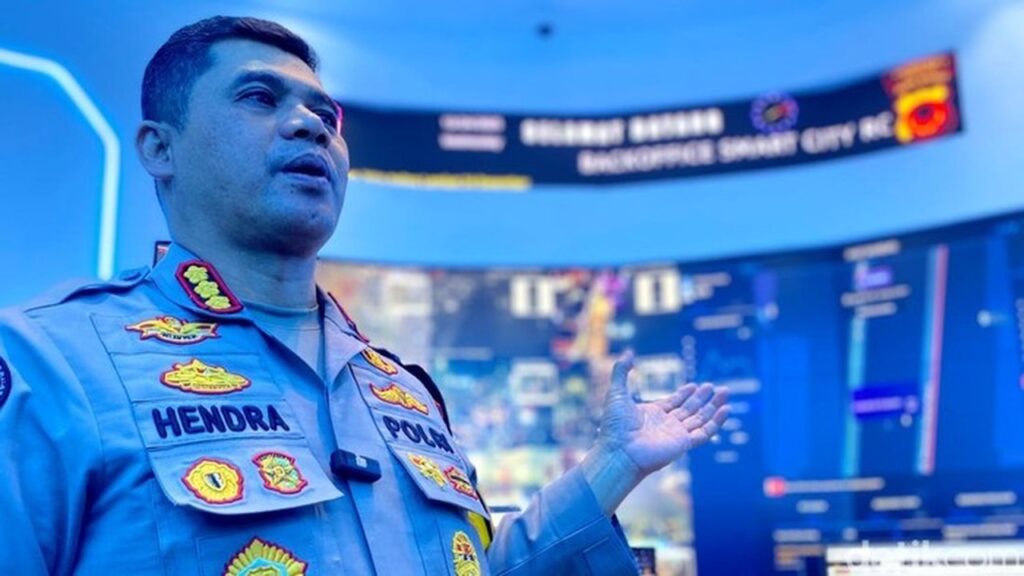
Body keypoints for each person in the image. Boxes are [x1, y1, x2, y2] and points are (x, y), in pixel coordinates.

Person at [0, 16, 729, 575]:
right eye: (259, 97)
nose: (309, 125)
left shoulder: (401, 391)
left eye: (327, 116)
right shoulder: (50, 364)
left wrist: (612, 467)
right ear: (160, 148)